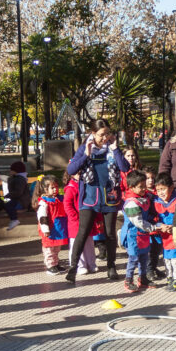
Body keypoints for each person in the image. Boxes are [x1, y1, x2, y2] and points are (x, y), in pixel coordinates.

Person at [64, 119, 130, 284]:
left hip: (110, 197)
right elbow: (71, 170)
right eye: (101, 134)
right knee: (83, 232)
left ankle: (111, 266)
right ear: (93, 133)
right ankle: (73, 268)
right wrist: (85, 154)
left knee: (109, 234)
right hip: (89, 197)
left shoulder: (112, 148)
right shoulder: (85, 147)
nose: (105, 137)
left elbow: (125, 168)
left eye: (107, 133)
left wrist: (115, 149)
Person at [120, 170, 165, 292]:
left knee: (144, 257)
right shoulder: (131, 203)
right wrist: (155, 227)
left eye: (144, 186)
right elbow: (138, 222)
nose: (144, 189)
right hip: (133, 235)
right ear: (131, 187)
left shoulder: (145, 197)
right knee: (133, 258)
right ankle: (128, 280)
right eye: (140, 187)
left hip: (143, 235)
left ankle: (143, 278)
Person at [152, 172, 176, 290]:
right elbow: (154, 219)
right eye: (158, 190)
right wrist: (160, 225)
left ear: (171, 187)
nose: (161, 192)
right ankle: (169, 278)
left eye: (163, 189)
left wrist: (174, 226)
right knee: (167, 260)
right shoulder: (156, 203)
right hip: (165, 238)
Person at [63, 170, 98, 275]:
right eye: (78, 173)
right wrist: (75, 217)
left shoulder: (87, 185)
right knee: (76, 244)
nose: (81, 175)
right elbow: (67, 205)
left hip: (87, 219)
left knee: (89, 244)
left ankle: (91, 264)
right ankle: (79, 265)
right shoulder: (71, 188)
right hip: (76, 222)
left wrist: (96, 219)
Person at [35, 176, 68, 274]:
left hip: (58, 228)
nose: (55, 189)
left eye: (56, 187)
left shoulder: (59, 199)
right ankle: (50, 265)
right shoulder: (44, 202)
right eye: (52, 188)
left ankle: (56, 263)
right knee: (49, 248)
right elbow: (42, 217)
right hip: (50, 229)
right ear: (45, 189)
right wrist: (45, 229)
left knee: (56, 248)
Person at [4, 161, 31, 231]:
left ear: (16, 171)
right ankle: (21, 210)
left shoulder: (19, 179)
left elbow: (18, 192)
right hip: (19, 200)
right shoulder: (17, 178)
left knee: (8, 206)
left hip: (21, 201)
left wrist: (8, 195)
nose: (10, 171)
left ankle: (14, 219)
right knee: (8, 205)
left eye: (11, 170)